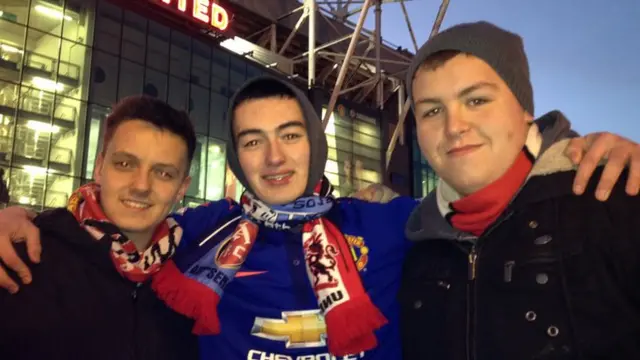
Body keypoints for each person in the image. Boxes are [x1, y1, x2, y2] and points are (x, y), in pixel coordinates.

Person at [0, 76, 638, 360]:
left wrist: (569, 155)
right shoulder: (192, 233)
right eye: (252, 141)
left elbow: (486, 202)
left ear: (316, 142)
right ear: (235, 155)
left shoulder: (391, 224)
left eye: (289, 135)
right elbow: (111, 236)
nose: (274, 157)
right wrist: (10, 213)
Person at [400, 21, 640, 359]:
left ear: (525, 109)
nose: (454, 127)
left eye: (477, 100)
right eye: (433, 111)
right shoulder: (419, 250)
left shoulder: (613, 199)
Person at [0, 95, 199, 360]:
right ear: (99, 168)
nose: (141, 186)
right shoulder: (20, 258)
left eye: (163, 173)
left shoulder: (195, 277)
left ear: (181, 189)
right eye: (125, 164)